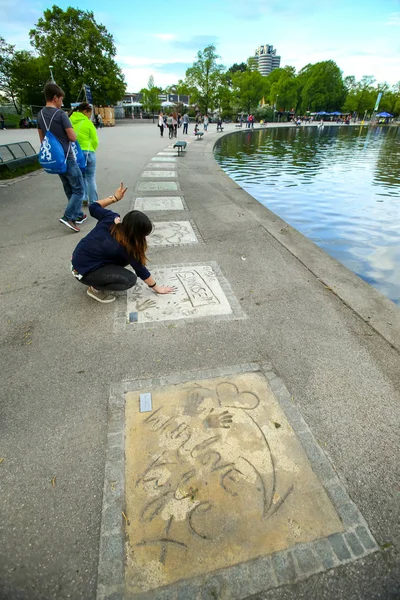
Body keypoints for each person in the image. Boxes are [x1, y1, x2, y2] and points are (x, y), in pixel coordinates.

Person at [71, 182, 176, 303]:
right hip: (81, 271)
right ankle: (95, 288)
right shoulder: (127, 246)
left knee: (124, 258)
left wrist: (114, 198)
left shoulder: (111, 218)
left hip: (77, 259)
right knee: (129, 279)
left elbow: (93, 207)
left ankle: (97, 275)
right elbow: (140, 269)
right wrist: (157, 288)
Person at [37, 82, 85, 233]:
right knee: (79, 188)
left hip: (56, 159)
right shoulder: (61, 114)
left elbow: (42, 138)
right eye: (61, 99)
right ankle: (68, 216)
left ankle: (77, 214)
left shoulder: (40, 115)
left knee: (68, 187)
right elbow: (72, 137)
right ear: (55, 97)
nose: (62, 102)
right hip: (67, 157)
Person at [69, 102, 99, 207]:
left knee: (81, 177)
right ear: (85, 111)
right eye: (89, 114)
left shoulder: (70, 121)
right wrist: (92, 149)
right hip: (88, 153)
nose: (90, 117)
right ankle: (94, 202)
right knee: (90, 177)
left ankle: (84, 198)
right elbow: (95, 141)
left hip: (76, 153)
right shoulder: (88, 123)